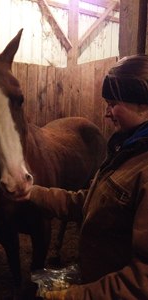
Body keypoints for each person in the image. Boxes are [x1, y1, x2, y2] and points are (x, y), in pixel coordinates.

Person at [12, 54, 148, 300]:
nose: (107, 114)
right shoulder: (128, 152)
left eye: (112, 103)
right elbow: (90, 203)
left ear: (142, 103)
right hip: (97, 278)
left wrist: (68, 296)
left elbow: (142, 282)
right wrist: (33, 192)